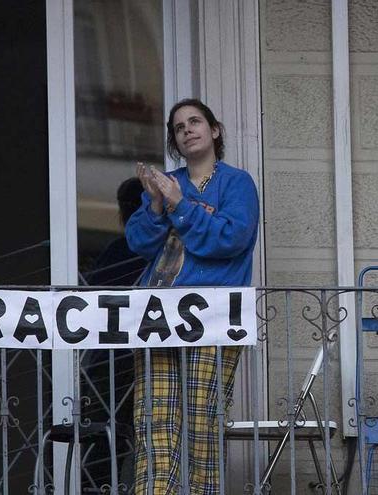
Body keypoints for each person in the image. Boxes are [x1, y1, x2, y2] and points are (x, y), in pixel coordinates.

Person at [124, 99, 259, 494]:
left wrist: (179, 205)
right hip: (158, 315)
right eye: (178, 127)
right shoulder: (167, 182)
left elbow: (230, 239)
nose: (187, 130)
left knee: (203, 420)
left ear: (215, 130)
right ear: (174, 141)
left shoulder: (236, 183)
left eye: (195, 121)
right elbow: (138, 242)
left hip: (212, 317)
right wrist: (153, 203)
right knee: (155, 422)